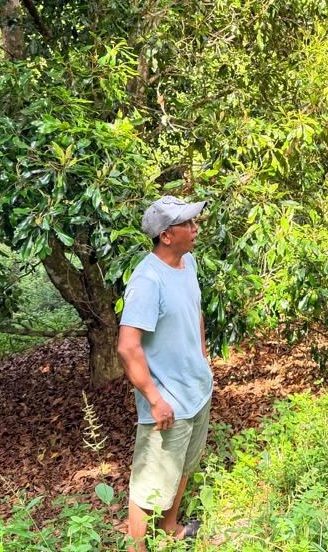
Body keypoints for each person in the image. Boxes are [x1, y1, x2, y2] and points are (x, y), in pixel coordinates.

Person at [117, 195, 212, 546]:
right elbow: (127, 346)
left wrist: (201, 356)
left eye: (193, 221)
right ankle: (137, 546)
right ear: (166, 237)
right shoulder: (147, 280)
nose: (194, 228)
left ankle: (170, 527)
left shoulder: (189, 264)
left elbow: (195, 310)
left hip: (195, 389)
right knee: (149, 486)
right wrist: (155, 400)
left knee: (184, 465)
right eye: (186, 224)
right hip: (167, 399)